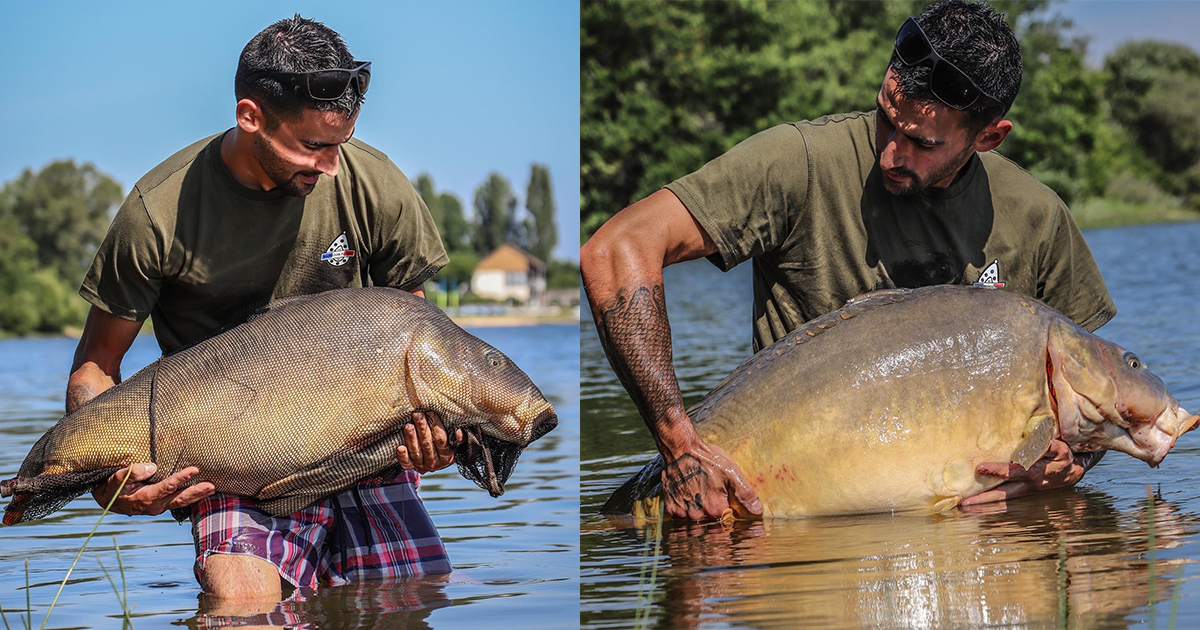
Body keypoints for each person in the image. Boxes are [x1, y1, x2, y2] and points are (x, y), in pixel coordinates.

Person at [581, 0, 1116, 522]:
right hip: (775, 512)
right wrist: (678, 445)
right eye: (886, 118)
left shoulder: (1037, 217)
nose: (890, 153)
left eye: (921, 142)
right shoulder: (801, 163)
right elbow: (614, 250)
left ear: (988, 137)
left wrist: (1072, 466)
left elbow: (1105, 403)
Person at [68, 15, 457, 599]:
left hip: (362, 448)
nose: (331, 166)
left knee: (414, 601)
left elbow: (419, 343)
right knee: (241, 605)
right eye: (312, 146)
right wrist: (109, 478)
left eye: (341, 144)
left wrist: (440, 434)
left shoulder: (375, 184)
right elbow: (96, 367)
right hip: (233, 463)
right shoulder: (157, 214)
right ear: (250, 116)